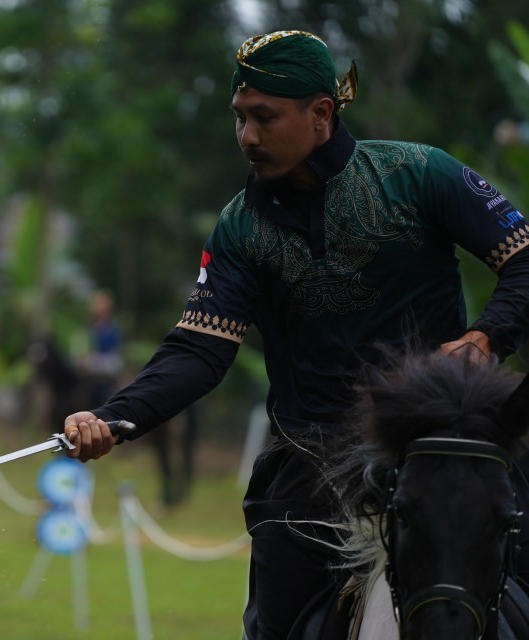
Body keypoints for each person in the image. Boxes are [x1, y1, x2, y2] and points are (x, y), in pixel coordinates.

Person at [62, 30, 529, 640]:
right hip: (313, 470)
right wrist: (113, 417)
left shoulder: (419, 174)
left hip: (441, 454)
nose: (247, 137)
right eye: (240, 118)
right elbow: (200, 349)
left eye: (264, 117)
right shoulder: (239, 228)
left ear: (321, 113)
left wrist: (486, 337)